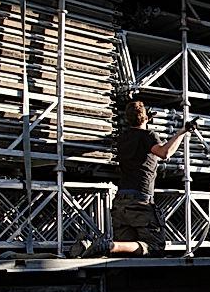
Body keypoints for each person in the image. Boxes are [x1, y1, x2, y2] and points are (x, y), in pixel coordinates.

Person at [71, 100, 194, 258]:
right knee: (155, 246)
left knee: (127, 252)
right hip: (140, 202)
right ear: (146, 118)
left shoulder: (122, 139)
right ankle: (109, 245)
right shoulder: (148, 136)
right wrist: (182, 132)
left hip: (121, 202)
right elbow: (165, 152)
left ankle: (87, 245)